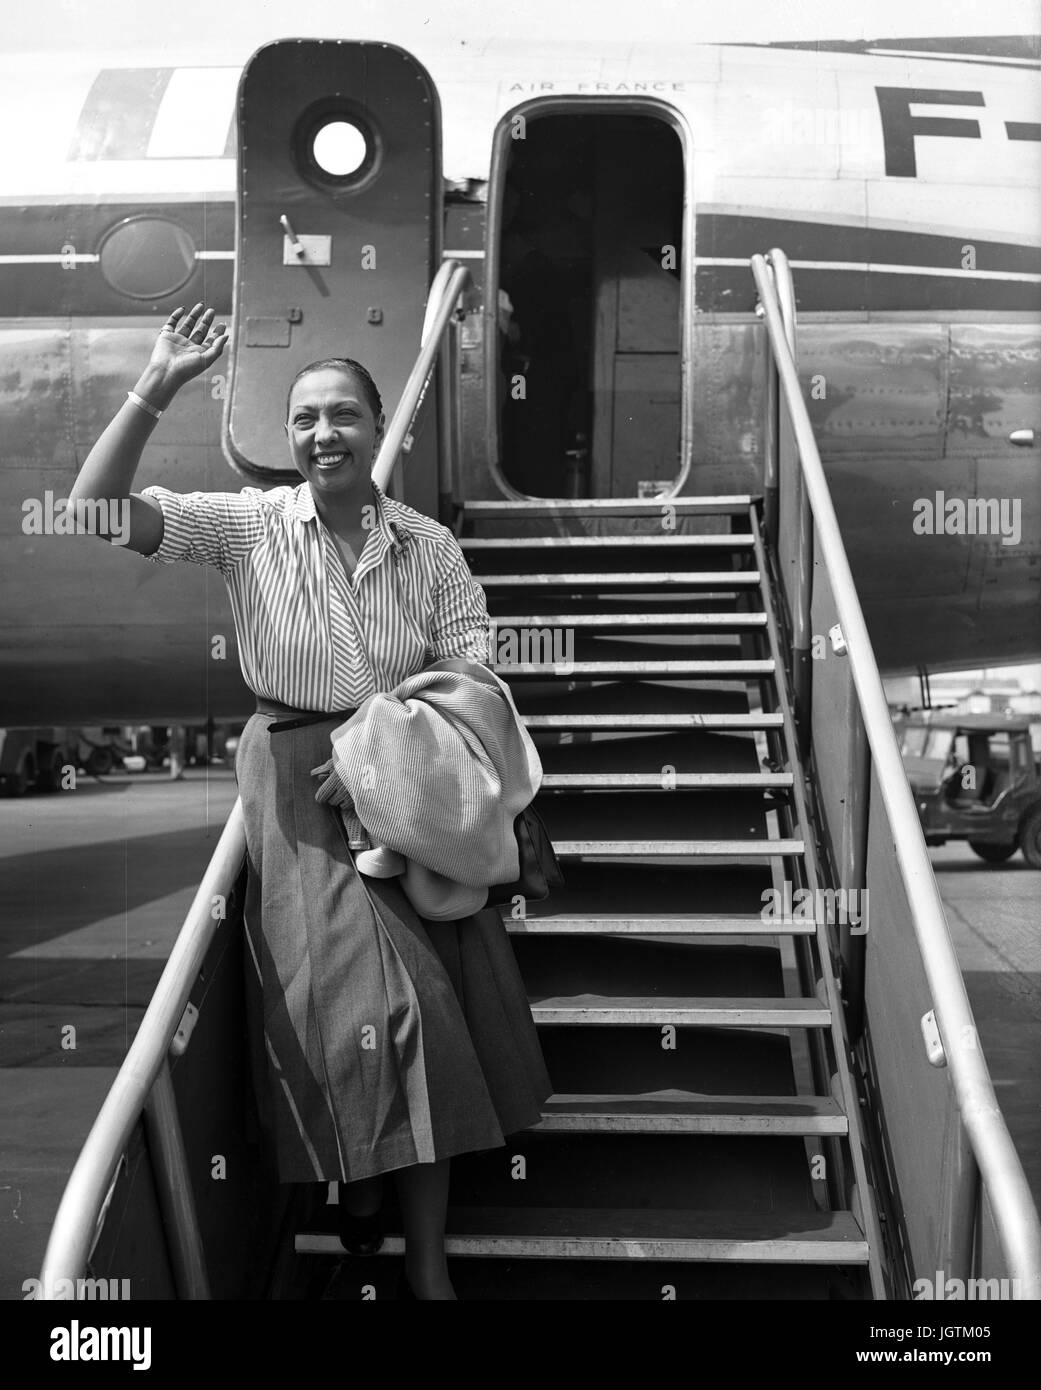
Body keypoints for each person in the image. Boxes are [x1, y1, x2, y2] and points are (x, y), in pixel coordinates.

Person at [66, 302, 553, 1301]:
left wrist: (385, 752)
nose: (321, 434)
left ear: (381, 428)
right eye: (303, 420)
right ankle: (362, 1195)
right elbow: (96, 514)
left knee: (426, 1020)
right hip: (293, 787)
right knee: (349, 1018)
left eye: (342, 415)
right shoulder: (250, 525)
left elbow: (478, 677)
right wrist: (156, 383)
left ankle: (423, 1260)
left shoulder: (428, 548)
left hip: (410, 790)